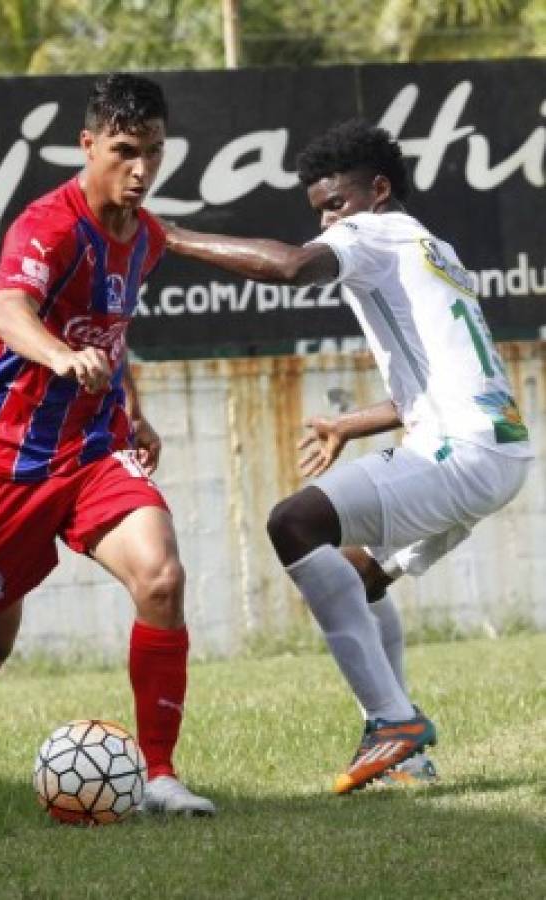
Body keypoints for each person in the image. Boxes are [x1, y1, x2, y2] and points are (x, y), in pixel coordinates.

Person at [162, 120, 532, 793]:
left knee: (293, 524)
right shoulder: (435, 248)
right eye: (319, 211)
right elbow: (438, 382)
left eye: (335, 203)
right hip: (497, 448)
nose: (328, 220)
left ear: (378, 190)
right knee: (358, 580)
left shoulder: (373, 231)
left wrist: (174, 237)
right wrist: (346, 424)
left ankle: (393, 722)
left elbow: (288, 267)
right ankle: (404, 754)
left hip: (457, 453)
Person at [0, 73, 215, 816]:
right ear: (87, 144)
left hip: (95, 450)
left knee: (160, 576)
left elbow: (111, 333)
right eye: (124, 151)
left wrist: (133, 406)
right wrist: (58, 356)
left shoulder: (145, 236)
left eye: (154, 152)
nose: (141, 169)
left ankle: (159, 776)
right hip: (4, 466)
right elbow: (7, 311)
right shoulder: (47, 225)